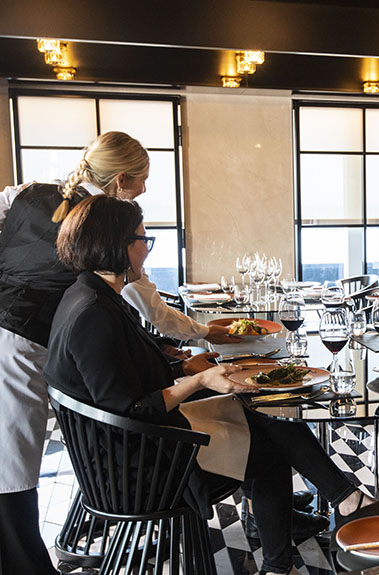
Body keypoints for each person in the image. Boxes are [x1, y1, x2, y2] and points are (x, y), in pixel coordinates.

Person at [44, 196, 373, 575]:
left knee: (260, 411)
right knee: (268, 449)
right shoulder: (94, 315)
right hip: (137, 467)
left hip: (124, 445)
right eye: (143, 241)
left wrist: (184, 362)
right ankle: (323, 520)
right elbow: (132, 407)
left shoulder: (89, 295)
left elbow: (125, 363)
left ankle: (330, 510)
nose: (146, 253)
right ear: (117, 245)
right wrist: (198, 378)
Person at [0, 131, 228, 575]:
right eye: (142, 179)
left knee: (14, 462)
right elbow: (152, 307)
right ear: (121, 179)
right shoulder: (106, 227)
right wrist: (203, 334)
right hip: (18, 344)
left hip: (18, 336)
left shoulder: (28, 193)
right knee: (13, 468)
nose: (144, 189)